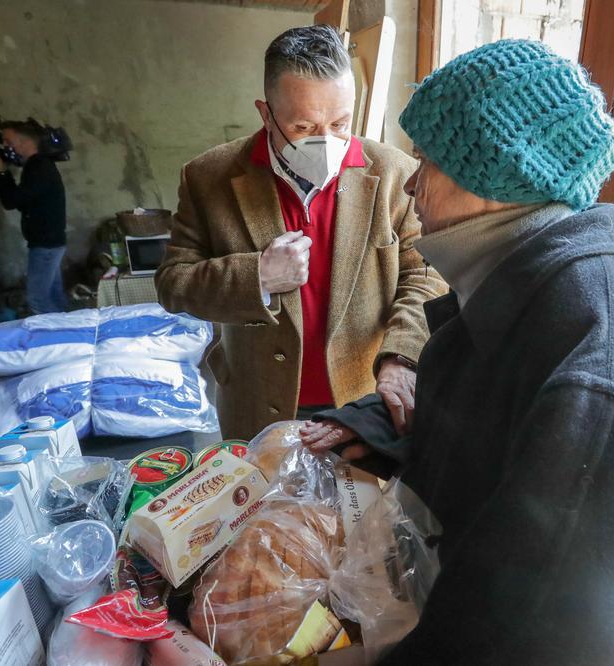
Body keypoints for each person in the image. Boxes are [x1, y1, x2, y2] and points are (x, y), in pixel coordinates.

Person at [301, 39, 614, 664]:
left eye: (427, 163)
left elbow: (541, 636)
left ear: (493, 177)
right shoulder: (525, 284)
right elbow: (482, 439)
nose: (413, 187)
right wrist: (377, 430)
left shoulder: (593, 362)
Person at [155, 25, 445, 440]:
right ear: (265, 112)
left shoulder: (395, 173)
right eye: (303, 127)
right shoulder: (209, 177)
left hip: (360, 400)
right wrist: (257, 277)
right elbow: (172, 284)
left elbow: (425, 273)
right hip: (256, 401)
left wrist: (402, 355)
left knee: (358, 505)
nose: (326, 142)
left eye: (340, 123)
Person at [0, 120, 67, 314]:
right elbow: (25, 202)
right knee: (54, 296)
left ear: (25, 142)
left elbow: (11, 201)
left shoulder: (39, 167)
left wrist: (1, 172)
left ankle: (60, 338)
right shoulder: (37, 166)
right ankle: (72, 333)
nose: (5, 146)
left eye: (8, 141)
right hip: (49, 242)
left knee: (37, 300)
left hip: (45, 245)